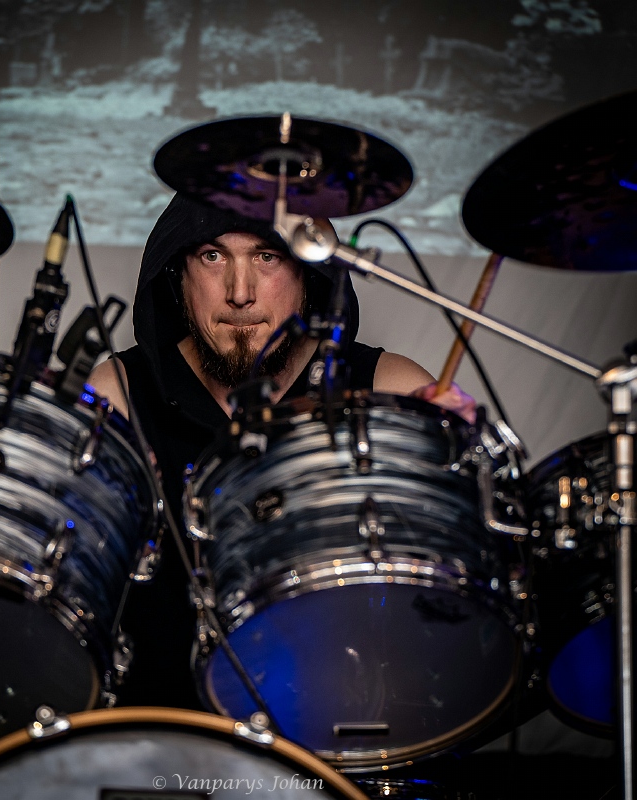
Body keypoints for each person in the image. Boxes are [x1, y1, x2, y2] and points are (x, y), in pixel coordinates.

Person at [87, 193, 475, 710]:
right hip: (164, 728)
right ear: (178, 275)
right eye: (212, 256)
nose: (239, 292)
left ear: (309, 274)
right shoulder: (119, 393)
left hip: (339, 719)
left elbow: (451, 583)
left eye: (266, 257)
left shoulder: (388, 388)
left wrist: (455, 453)